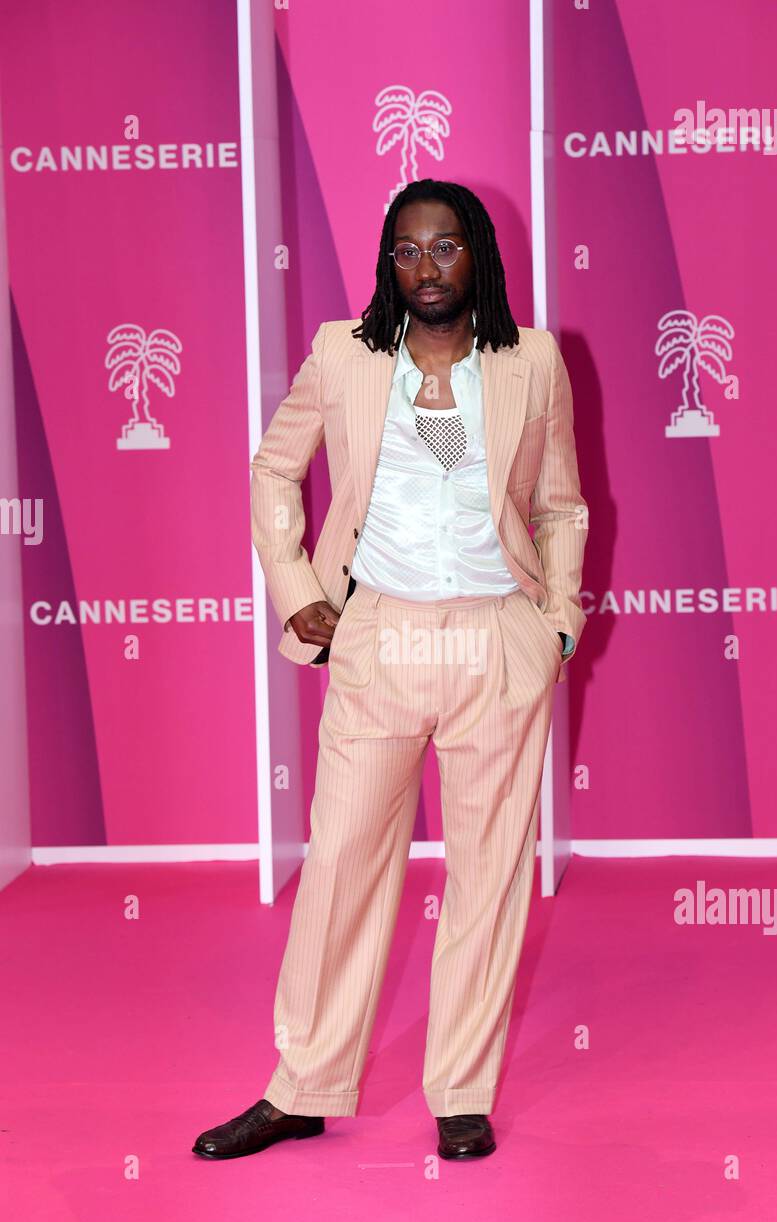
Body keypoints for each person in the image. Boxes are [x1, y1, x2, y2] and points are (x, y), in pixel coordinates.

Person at [193, 178, 588, 1163]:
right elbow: (272, 468)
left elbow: (562, 503)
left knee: (487, 875)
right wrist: (296, 591)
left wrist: (557, 624)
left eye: (443, 247)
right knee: (338, 869)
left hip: (496, 640)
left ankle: (460, 1087)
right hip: (380, 642)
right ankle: (302, 1086)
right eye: (404, 251)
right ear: (386, 263)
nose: (423, 268)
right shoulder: (344, 353)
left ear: (477, 255)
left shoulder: (532, 361)